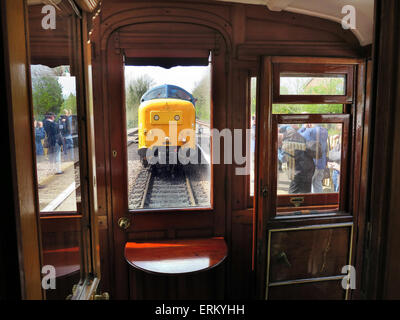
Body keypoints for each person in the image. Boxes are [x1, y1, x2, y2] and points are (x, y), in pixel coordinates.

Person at [281, 126, 319, 194]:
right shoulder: (297, 135)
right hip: (308, 168)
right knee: (306, 193)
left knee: (292, 195)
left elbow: (285, 157)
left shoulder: (290, 138)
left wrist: (280, 153)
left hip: (300, 170)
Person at [298, 124, 328, 193]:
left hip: (312, 164)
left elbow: (298, 136)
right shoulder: (325, 131)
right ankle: (318, 202)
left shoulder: (310, 131)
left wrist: (303, 127)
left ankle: (310, 202)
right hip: (321, 164)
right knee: (318, 184)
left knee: (308, 186)